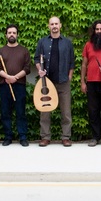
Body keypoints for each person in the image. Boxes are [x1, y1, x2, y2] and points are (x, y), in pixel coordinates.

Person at [35, 16, 75, 147]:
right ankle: (45, 137)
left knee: (66, 111)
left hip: (63, 81)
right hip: (47, 82)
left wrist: (69, 76)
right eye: (52, 24)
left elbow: (71, 62)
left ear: (60, 25)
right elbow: (36, 59)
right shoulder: (42, 42)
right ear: (49, 26)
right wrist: (40, 69)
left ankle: (66, 137)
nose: (54, 26)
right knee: (45, 111)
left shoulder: (67, 43)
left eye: (56, 23)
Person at [0, 24, 30, 147]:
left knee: (20, 111)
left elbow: (27, 68)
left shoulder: (24, 50)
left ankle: (22, 137)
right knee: (5, 112)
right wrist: (7, 77)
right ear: (6, 35)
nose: (12, 35)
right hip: (4, 85)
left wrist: (15, 78)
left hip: (19, 85)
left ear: (17, 35)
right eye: (9, 33)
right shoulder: (1, 51)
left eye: (14, 33)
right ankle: (8, 136)